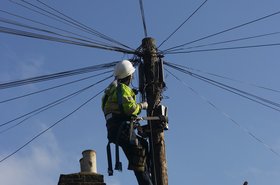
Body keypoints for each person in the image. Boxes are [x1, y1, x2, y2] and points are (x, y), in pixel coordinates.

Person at [102, 60, 153, 185]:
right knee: (139, 160)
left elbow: (117, 112)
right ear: (129, 76)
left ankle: (149, 174)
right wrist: (142, 105)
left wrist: (135, 124)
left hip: (115, 131)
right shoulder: (123, 89)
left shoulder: (109, 92)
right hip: (123, 131)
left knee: (143, 147)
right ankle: (148, 178)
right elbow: (130, 109)